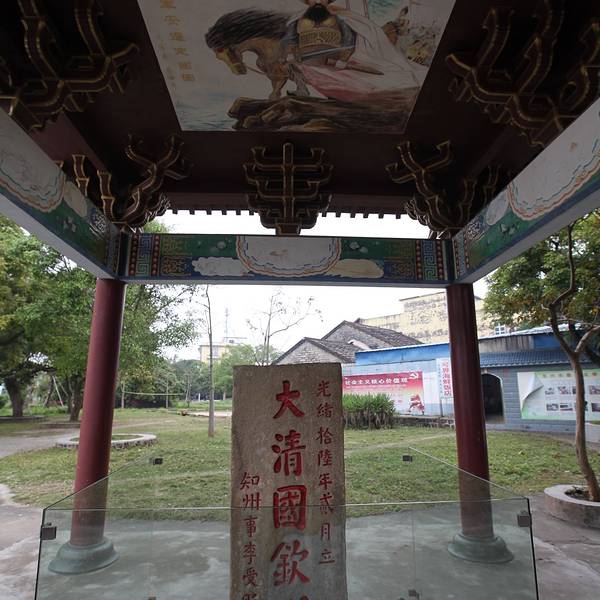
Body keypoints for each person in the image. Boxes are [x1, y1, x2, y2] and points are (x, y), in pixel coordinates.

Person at [283, 0, 427, 104]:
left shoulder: (339, 19)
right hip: (309, 63)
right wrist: (290, 53)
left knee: (352, 83)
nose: (318, 1)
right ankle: (302, 90)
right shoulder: (296, 21)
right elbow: (290, 39)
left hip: (333, 63)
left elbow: (348, 40)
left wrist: (343, 59)